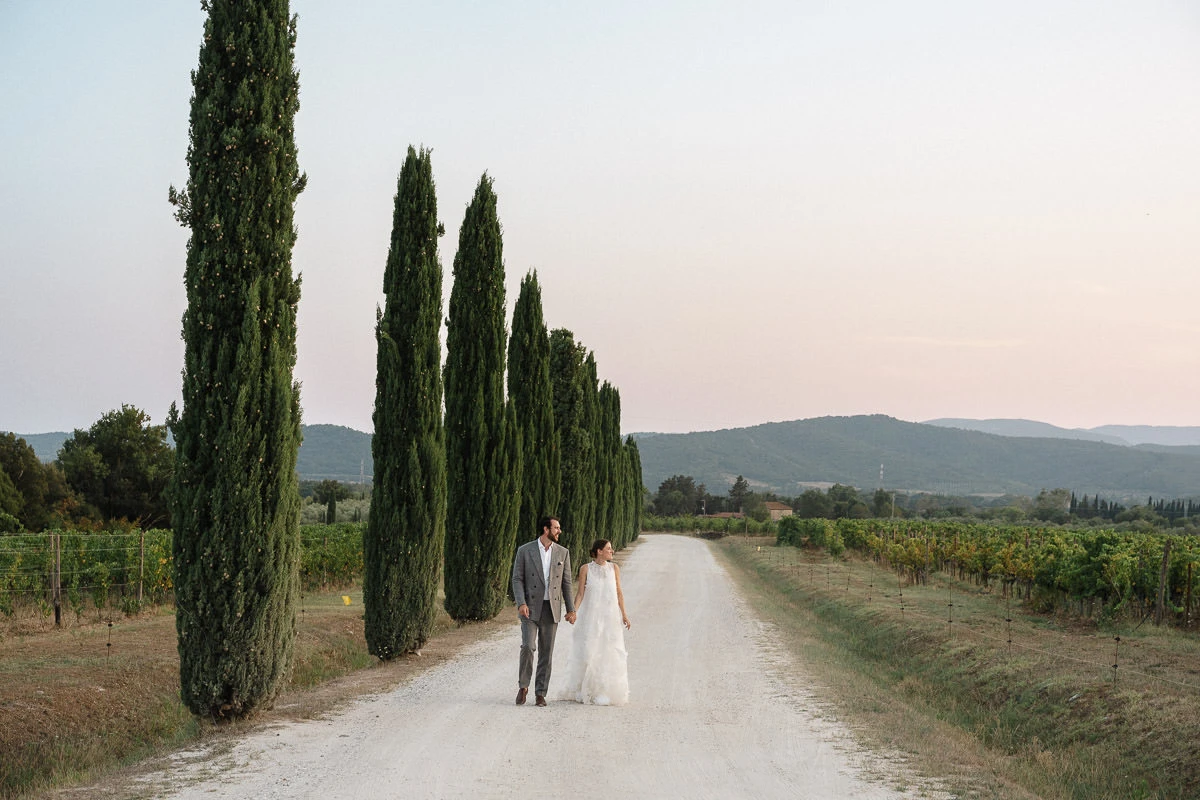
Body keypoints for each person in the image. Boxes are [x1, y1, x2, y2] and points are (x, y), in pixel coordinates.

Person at [511, 516, 576, 706]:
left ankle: (540, 693)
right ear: (546, 529)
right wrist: (521, 603)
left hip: (551, 608)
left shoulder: (563, 553)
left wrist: (571, 609)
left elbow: (567, 582)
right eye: (556, 527)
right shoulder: (525, 550)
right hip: (529, 608)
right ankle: (523, 686)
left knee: (546, 653)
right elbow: (517, 578)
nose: (559, 531)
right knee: (528, 647)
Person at [558, 538, 631, 706]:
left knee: (608, 651)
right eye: (608, 549)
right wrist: (573, 611)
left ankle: (603, 690)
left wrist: (624, 615)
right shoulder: (585, 569)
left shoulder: (614, 568)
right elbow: (580, 594)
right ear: (599, 551)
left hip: (610, 618)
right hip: (590, 617)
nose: (611, 551)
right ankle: (584, 688)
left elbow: (619, 593)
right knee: (588, 649)